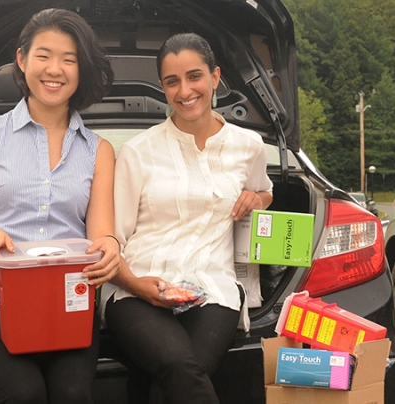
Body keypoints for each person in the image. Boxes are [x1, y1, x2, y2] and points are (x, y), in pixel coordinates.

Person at [0, 8, 119, 404]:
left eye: (69, 59)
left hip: (69, 307)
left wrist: (110, 248)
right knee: (24, 394)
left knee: (74, 394)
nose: (54, 69)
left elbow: (102, 235)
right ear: (22, 60)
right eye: (43, 55)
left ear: (82, 70)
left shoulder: (99, 151)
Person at [102, 33, 274, 404]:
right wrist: (135, 284)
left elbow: (265, 190)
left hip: (212, 288)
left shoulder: (249, 145)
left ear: (215, 77)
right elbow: (112, 240)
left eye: (194, 76)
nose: (185, 90)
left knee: (173, 383)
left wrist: (256, 198)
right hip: (138, 287)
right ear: (162, 88)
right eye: (172, 81)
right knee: (180, 367)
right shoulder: (138, 152)